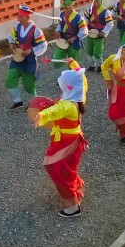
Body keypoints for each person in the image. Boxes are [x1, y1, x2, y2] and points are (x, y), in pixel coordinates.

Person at [32, 63, 89, 218]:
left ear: (67, 86)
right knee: (61, 169)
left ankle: (73, 206)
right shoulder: (78, 95)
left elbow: (56, 110)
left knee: (60, 172)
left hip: (67, 143)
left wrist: (42, 115)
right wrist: (75, 65)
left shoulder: (68, 104)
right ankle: (75, 186)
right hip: (67, 140)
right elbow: (83, 80)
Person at [6, 5, 48, 109]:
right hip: (17, 58)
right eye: (18, 16)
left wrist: (31, 50)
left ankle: (34, 103)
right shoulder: (17, 27)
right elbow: (11, 35)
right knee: (9, 80)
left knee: (29, 86)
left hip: (29, 61)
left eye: (20, 17)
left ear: (27, 17)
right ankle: (18, 101)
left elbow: (43, 45)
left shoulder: (36, 30)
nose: (18, 19)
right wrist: (11, 44)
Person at [53, 0, 88, 65]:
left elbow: (84, 31)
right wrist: (58, 32)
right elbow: (59, 25)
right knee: (56, 61)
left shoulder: (79, 18)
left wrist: (74, 38)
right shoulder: (61, 14)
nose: (66, 7)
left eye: (68, 5)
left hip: (74, 43)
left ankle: (75, 74)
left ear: (73, 5)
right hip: (63, 40)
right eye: (65, 4)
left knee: (73, 65)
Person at [83, 0, 113, 72]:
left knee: (97, 52)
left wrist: (103, 32)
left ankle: (101, 66)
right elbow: (85, 20)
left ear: (101, 1)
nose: (95, 3)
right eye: (94, 1)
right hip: (90, 33)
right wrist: (85, 28)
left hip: (99, 34)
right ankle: (92, 65)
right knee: (89, 51)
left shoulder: (106, 12)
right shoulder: (89, 10)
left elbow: (110, 23)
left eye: (97, 1)